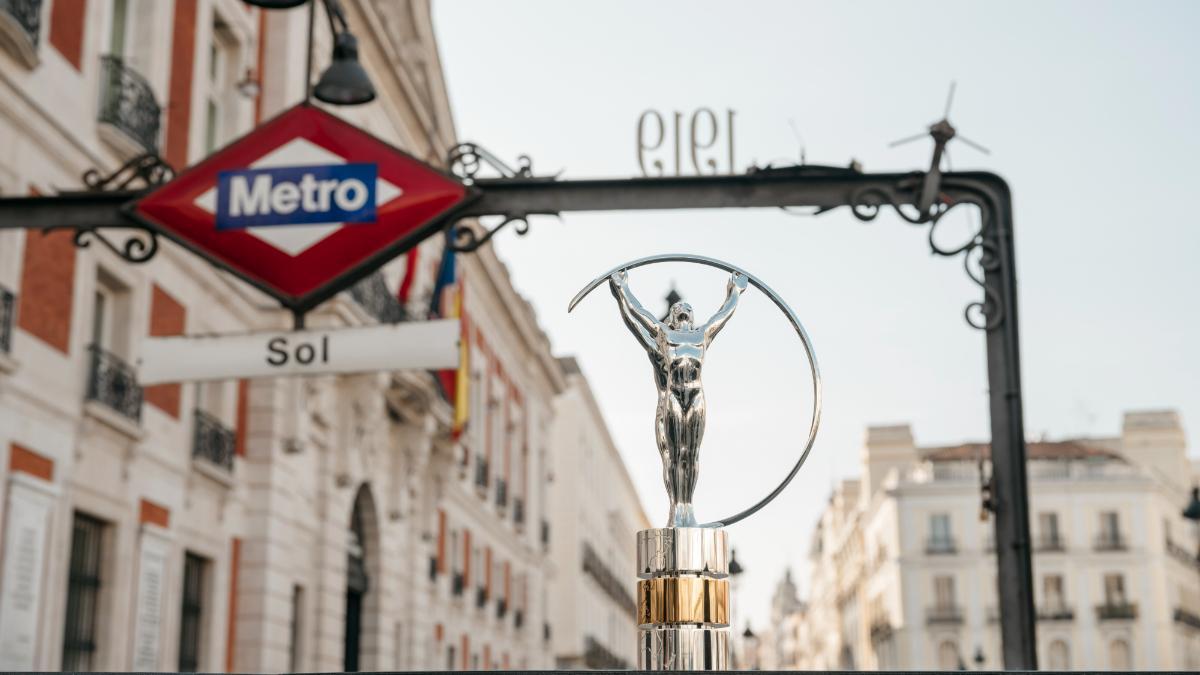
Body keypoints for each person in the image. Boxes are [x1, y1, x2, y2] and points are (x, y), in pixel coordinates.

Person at [608, 269, 748, 527]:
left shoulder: (701, 336)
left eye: (688, 310)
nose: (683, 311)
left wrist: (735, 292)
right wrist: (622, 291)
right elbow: (639, 315)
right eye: (679, 310)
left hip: (696, 396)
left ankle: (687, 507)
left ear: (693, 318)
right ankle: (677, 507)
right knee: (675, 454)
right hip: (673, 395)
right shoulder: (665, 336)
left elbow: (723, 316)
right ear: (672, 317)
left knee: (692, 454)